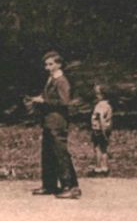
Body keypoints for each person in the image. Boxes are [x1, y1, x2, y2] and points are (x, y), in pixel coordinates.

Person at [26, 50, 80, 199]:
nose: (47, 67)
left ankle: (70, 186)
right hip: (49, 121)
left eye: (50, 64)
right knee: (48, 153)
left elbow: (64, 102)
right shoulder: (52, 79)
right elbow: (51, 96)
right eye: (46, 64)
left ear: (59, 64)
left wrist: (44, 101)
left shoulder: (62, 80)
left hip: (57, 121)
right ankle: (49, 185)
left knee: (60, 154)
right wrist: (40, 97)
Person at [89, 84, 114, 176]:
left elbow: (101, 119)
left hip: (99, 129)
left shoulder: (100, 105)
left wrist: (103, 131)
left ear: (102, 95)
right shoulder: (108, 105)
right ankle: (105, 167)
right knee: (104, 148)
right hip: (106, 129)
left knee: (97, 148)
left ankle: (98, 167)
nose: (96, 96)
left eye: (98, 94)